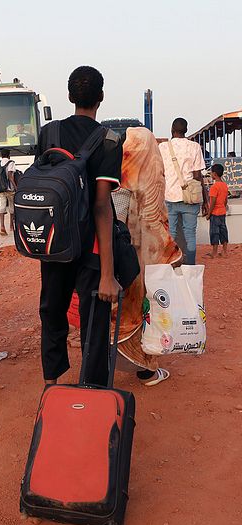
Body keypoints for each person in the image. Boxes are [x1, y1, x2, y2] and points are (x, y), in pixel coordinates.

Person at [37, 66, 122, 387]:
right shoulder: (110, 141)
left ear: (70, 96)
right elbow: (102, 206)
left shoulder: (50, 133)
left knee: (53, 312)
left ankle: (51, 383)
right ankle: (93, 387)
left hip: (54, 243)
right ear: (101, 97)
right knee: (94, 324)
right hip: (90, 248)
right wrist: (108, 274)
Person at [111, 126, 183, 386]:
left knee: (123, 312)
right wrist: (174, 257)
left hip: (123, 261)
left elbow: (115, 222)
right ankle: (147, 370)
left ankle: (111, 365)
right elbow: (159, 229)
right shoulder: (154, 184)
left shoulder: (119, 178)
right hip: (148, 266)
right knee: (150, 310)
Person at [158, 118, 207, 265]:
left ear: (172, 129)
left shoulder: (163, 147)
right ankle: (190, 266)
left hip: (169, 196)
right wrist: (205, 199)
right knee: (190, 234)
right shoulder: (194, 147)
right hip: (190, 197)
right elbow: (198, 176)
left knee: (171, 233)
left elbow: (160, 173)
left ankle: (172, 264)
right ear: (186, 130)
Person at [206, 163, 230, 257]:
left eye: (211, 173)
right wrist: (222, 207)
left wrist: (209, 213)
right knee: (223, 231)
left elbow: (212, 202)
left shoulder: (214, 187)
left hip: (215, 213)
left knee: (214, 232)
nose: (210, 174)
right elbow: (225, 200)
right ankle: (224, 251)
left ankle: (214, 252)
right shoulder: (224, 185)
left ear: (214, 174)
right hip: (222, 212)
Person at [0, 148, 18, 236]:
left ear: (1, 155)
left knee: (2, 206)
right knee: (11, 206)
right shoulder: (11, 162)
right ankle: (11, 226)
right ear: (9, 155)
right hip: (9, 188)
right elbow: (10, 176)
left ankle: (2, 226)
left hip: (1, 188)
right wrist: (16, 187)